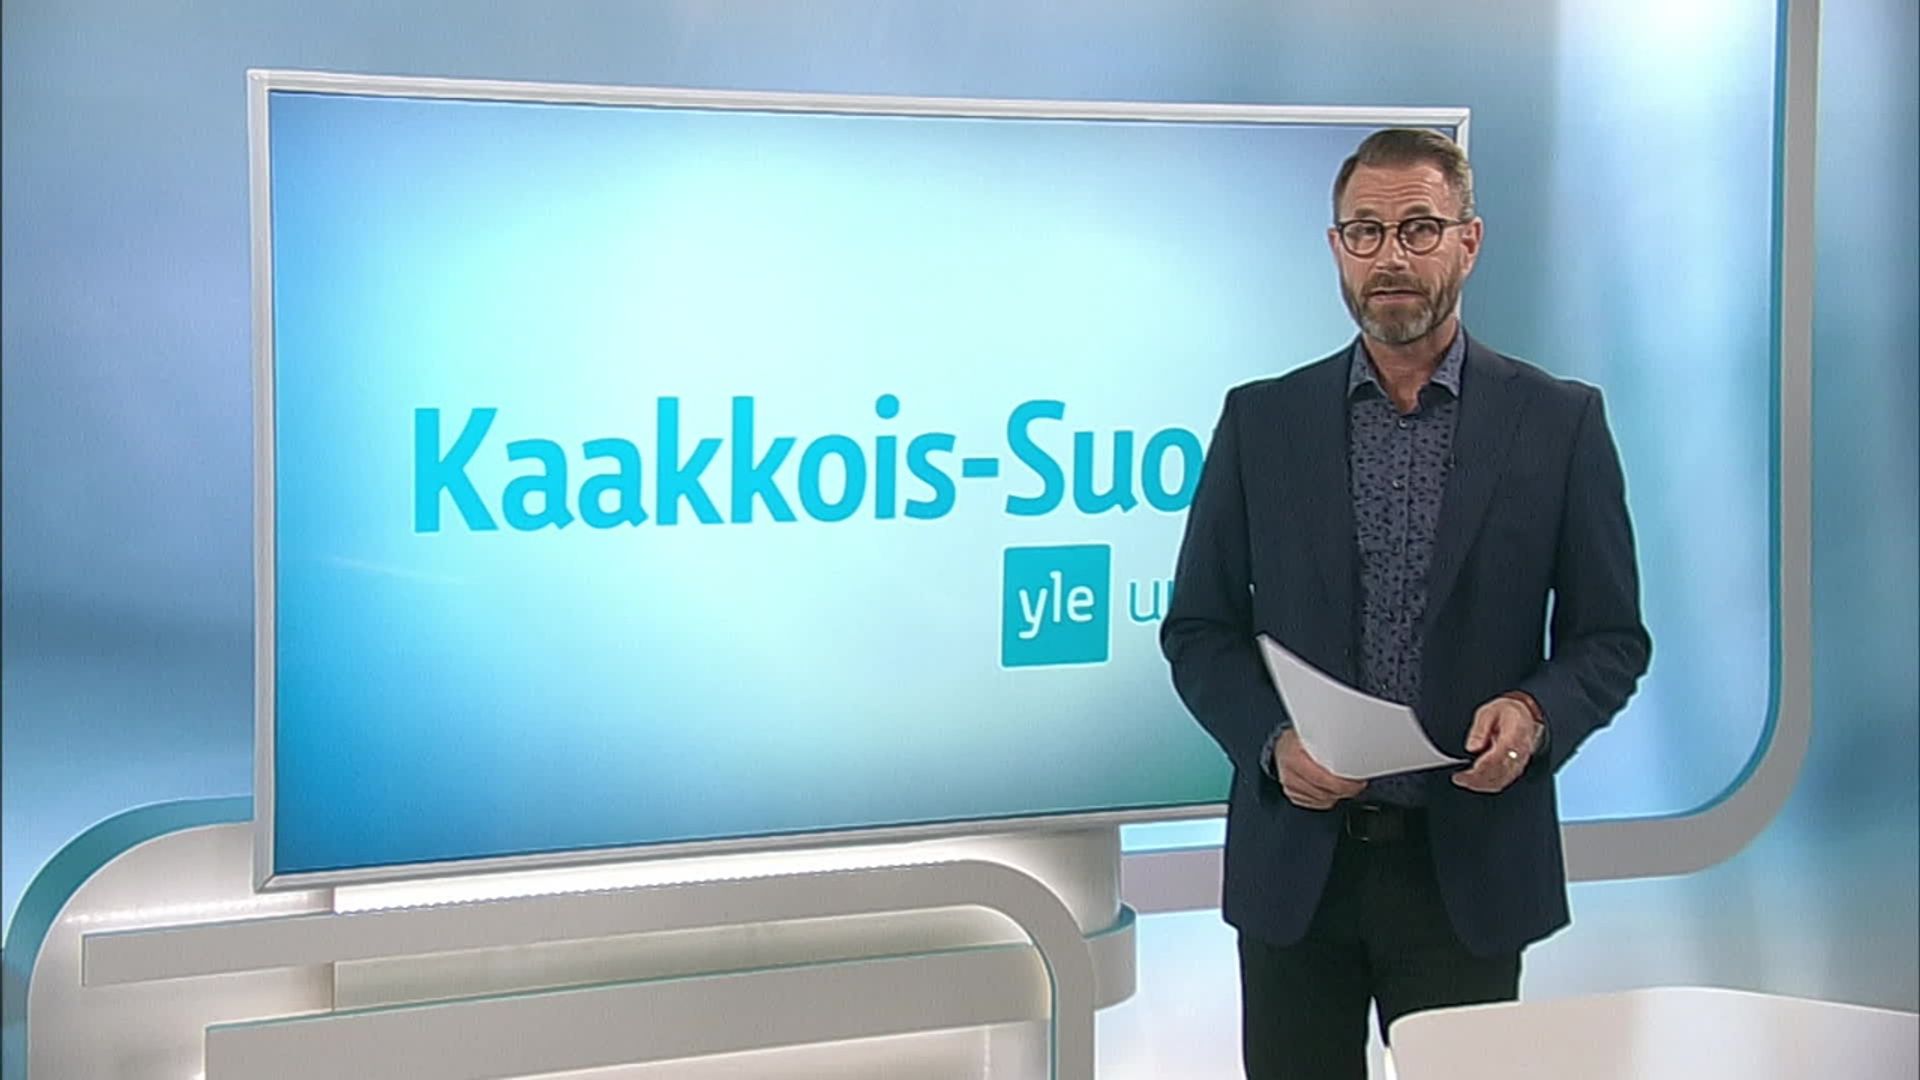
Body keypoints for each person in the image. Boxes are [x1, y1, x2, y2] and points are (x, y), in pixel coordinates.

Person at [1160, 127, 1651, 1079]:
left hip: (1464, 868)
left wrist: (1537, 712)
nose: (1390, 256)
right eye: (1366, 231)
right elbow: (1199, 629)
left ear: (1469, 241)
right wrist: (1271, 744)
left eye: (1419, 228)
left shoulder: (1559, 422)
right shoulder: (1262, 421)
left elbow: (1609, 638)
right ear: (1337, 248)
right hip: (1299, 867)